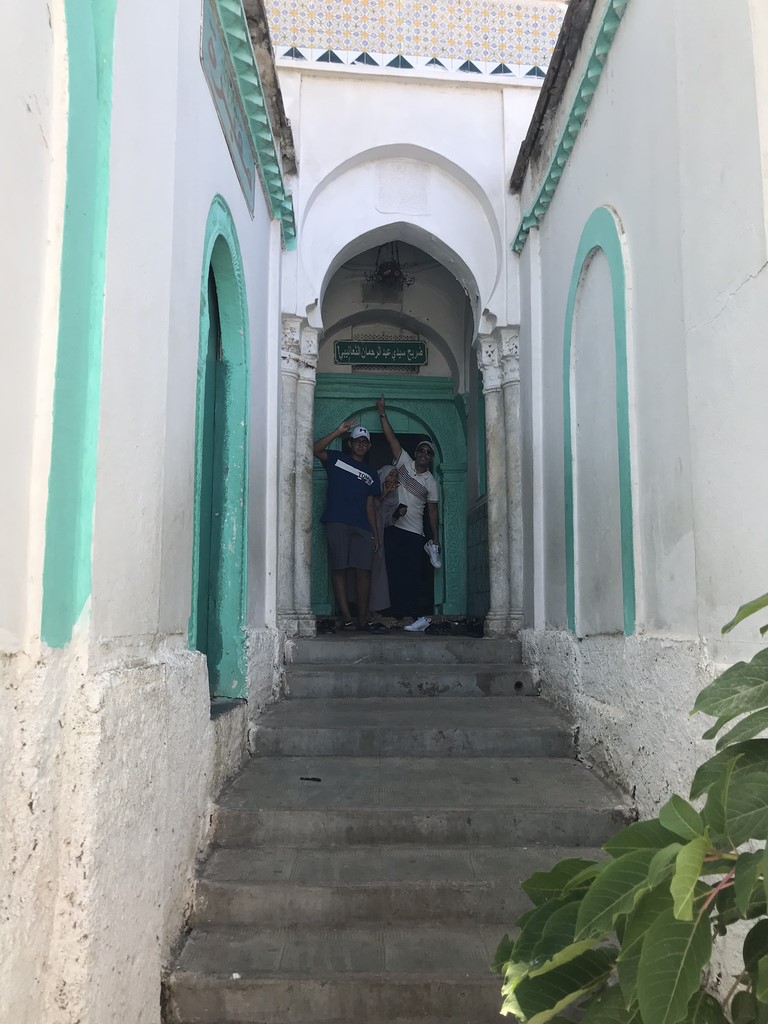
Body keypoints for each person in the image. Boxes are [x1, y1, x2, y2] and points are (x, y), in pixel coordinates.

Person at [375, 395, 440, 631]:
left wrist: (435, 539)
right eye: (421, 451)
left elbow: (432, 512)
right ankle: (395, 614)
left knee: (411, 575)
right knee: (392, 572)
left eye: (428, 453)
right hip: (393, 528)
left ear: (431, 458)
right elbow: (391, 439)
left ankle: (413, 616)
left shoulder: (431, 482)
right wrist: (382, 414)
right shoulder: (403, 462)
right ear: (416, 452)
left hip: (414, 532)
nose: (423, 454)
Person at [313, 421, 381, 631]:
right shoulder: (336, 459)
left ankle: (362, 619)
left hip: (362, 526)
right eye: (357, 441)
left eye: (364, 442)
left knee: (364, 571)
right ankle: (347, 617)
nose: (360, 445)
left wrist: (375, 533)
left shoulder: (371, 474)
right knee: (339, 568)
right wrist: (338, 431)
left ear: (369, 446)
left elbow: (370, 506)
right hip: (337, 521)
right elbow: (315, 449)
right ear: (350, 444)